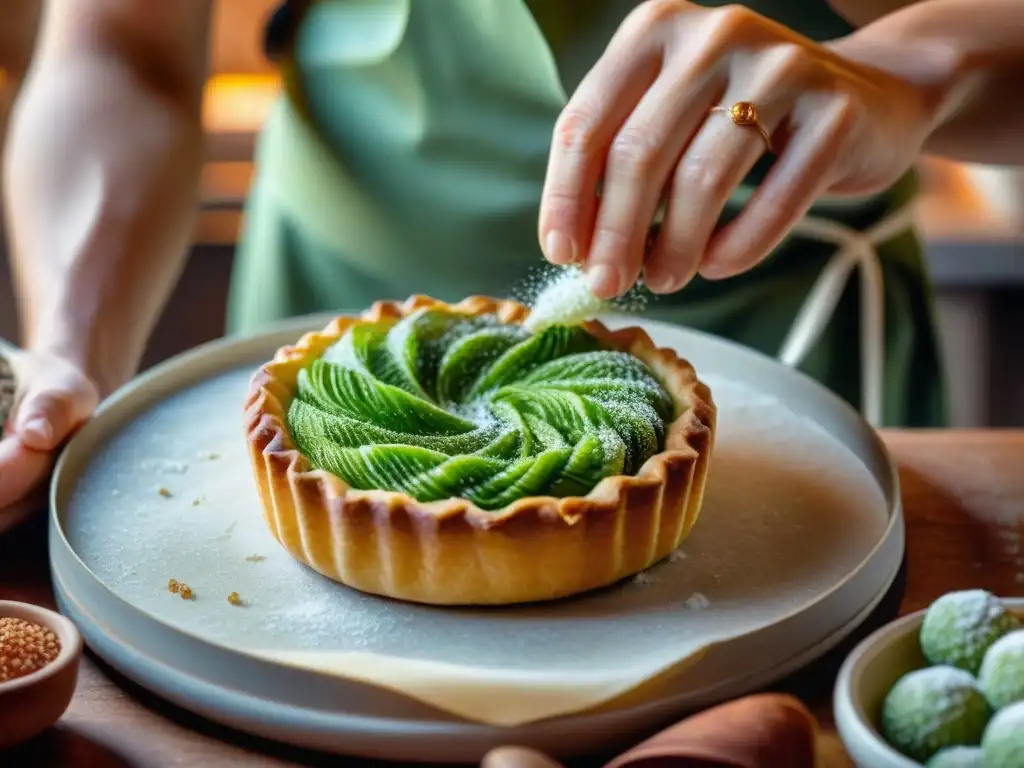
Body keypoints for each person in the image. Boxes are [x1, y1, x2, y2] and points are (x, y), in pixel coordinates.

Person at [1, 0, 1023, 513]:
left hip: (781, 344)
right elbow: (119, 46)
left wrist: (911, 69)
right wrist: (72, 355)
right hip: (321, 313)